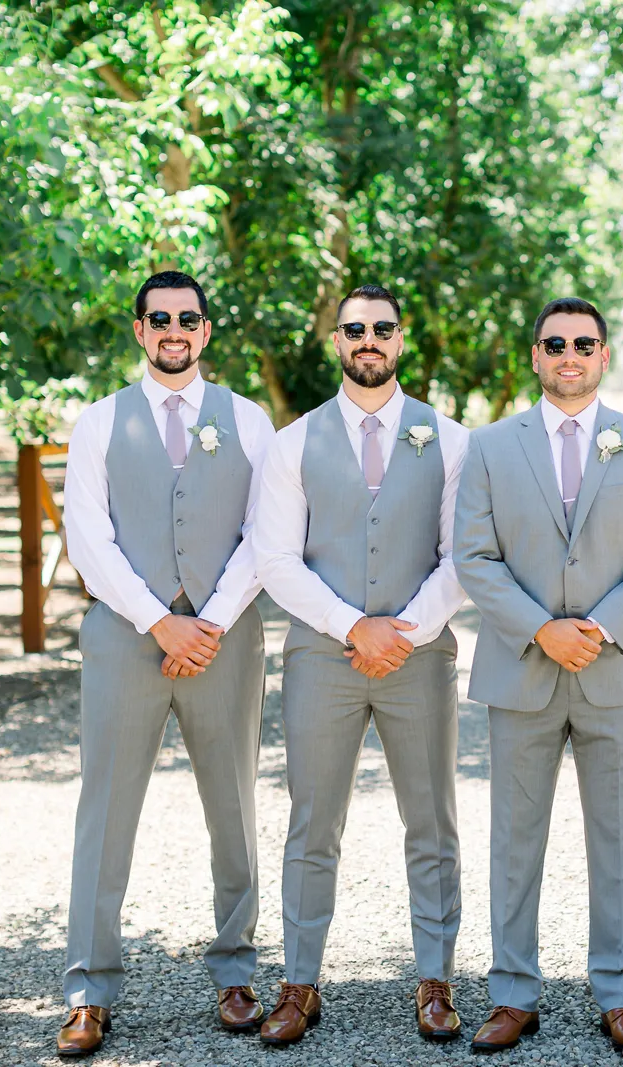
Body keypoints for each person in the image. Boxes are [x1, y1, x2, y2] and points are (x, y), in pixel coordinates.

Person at [453, 297, 623, 1054]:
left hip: (617, 667)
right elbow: (473, 556)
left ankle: (619, 992)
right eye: (554, 344)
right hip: (523, 668)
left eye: (583, 344)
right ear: (535, 356)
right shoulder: (490, 446)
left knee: (619, 840)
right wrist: (541, 629)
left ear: (603, 355)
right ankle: (512, 993)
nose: (569, 356)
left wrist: (601, 627)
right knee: (514, 840)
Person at [58, 270, 274, 1057]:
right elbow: (88, 538)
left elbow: (266, 532)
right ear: (140, 330)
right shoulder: (98, 422)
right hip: (125, 635)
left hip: (225, 636)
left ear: (206, 331)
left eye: (188, 319)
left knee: (234, 803)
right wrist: (158, 620)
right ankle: (88, 989)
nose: (174, 330)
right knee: (105, 807)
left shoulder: (248, 420)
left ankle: (236, 970)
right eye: (160, 319)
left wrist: (208, 621)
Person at [252, 284, 469, 1045]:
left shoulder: (451, 439)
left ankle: (436, 980)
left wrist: (402, 632)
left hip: (420, 654)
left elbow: (462, 555)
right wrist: (352, 626)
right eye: (354, 329)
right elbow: (275, 558)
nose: (368, 339)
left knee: (432, 820)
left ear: (401, 340)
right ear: (337, 341)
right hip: (322, 654)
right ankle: (299, 982)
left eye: (382, 328)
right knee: (312, 820)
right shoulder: (293, 442)